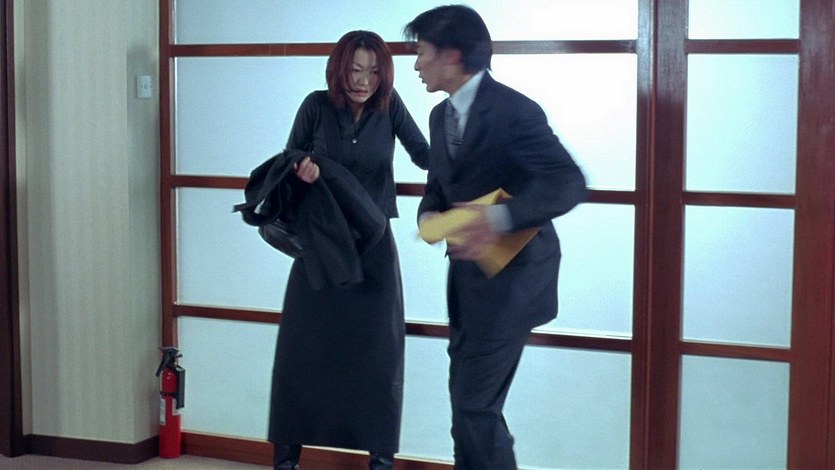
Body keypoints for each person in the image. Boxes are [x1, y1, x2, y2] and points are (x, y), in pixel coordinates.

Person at [404, 6, 587, 469]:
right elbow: (437, 190)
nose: (416, 64)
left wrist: (498, 219)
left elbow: (568, 182)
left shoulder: (514, 110)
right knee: (466, 403)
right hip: (467, 280)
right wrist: (430, 219)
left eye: (421, 52)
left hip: (515, 279)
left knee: (474, 405)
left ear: (451, 55)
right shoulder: (439, 117)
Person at [268, 30, 429, 470]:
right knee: (302, 349)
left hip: (374, 243)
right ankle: (286, 461)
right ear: (339, 69)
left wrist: (468, 168)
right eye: (356, 70)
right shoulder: (315, 105)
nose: (364, 81)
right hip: (322, 241)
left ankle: (381, 461)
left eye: (374, 72)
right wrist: (301, 168)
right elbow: (288, 158)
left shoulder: (389, 105)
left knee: (381, 353)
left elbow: (423, 153)